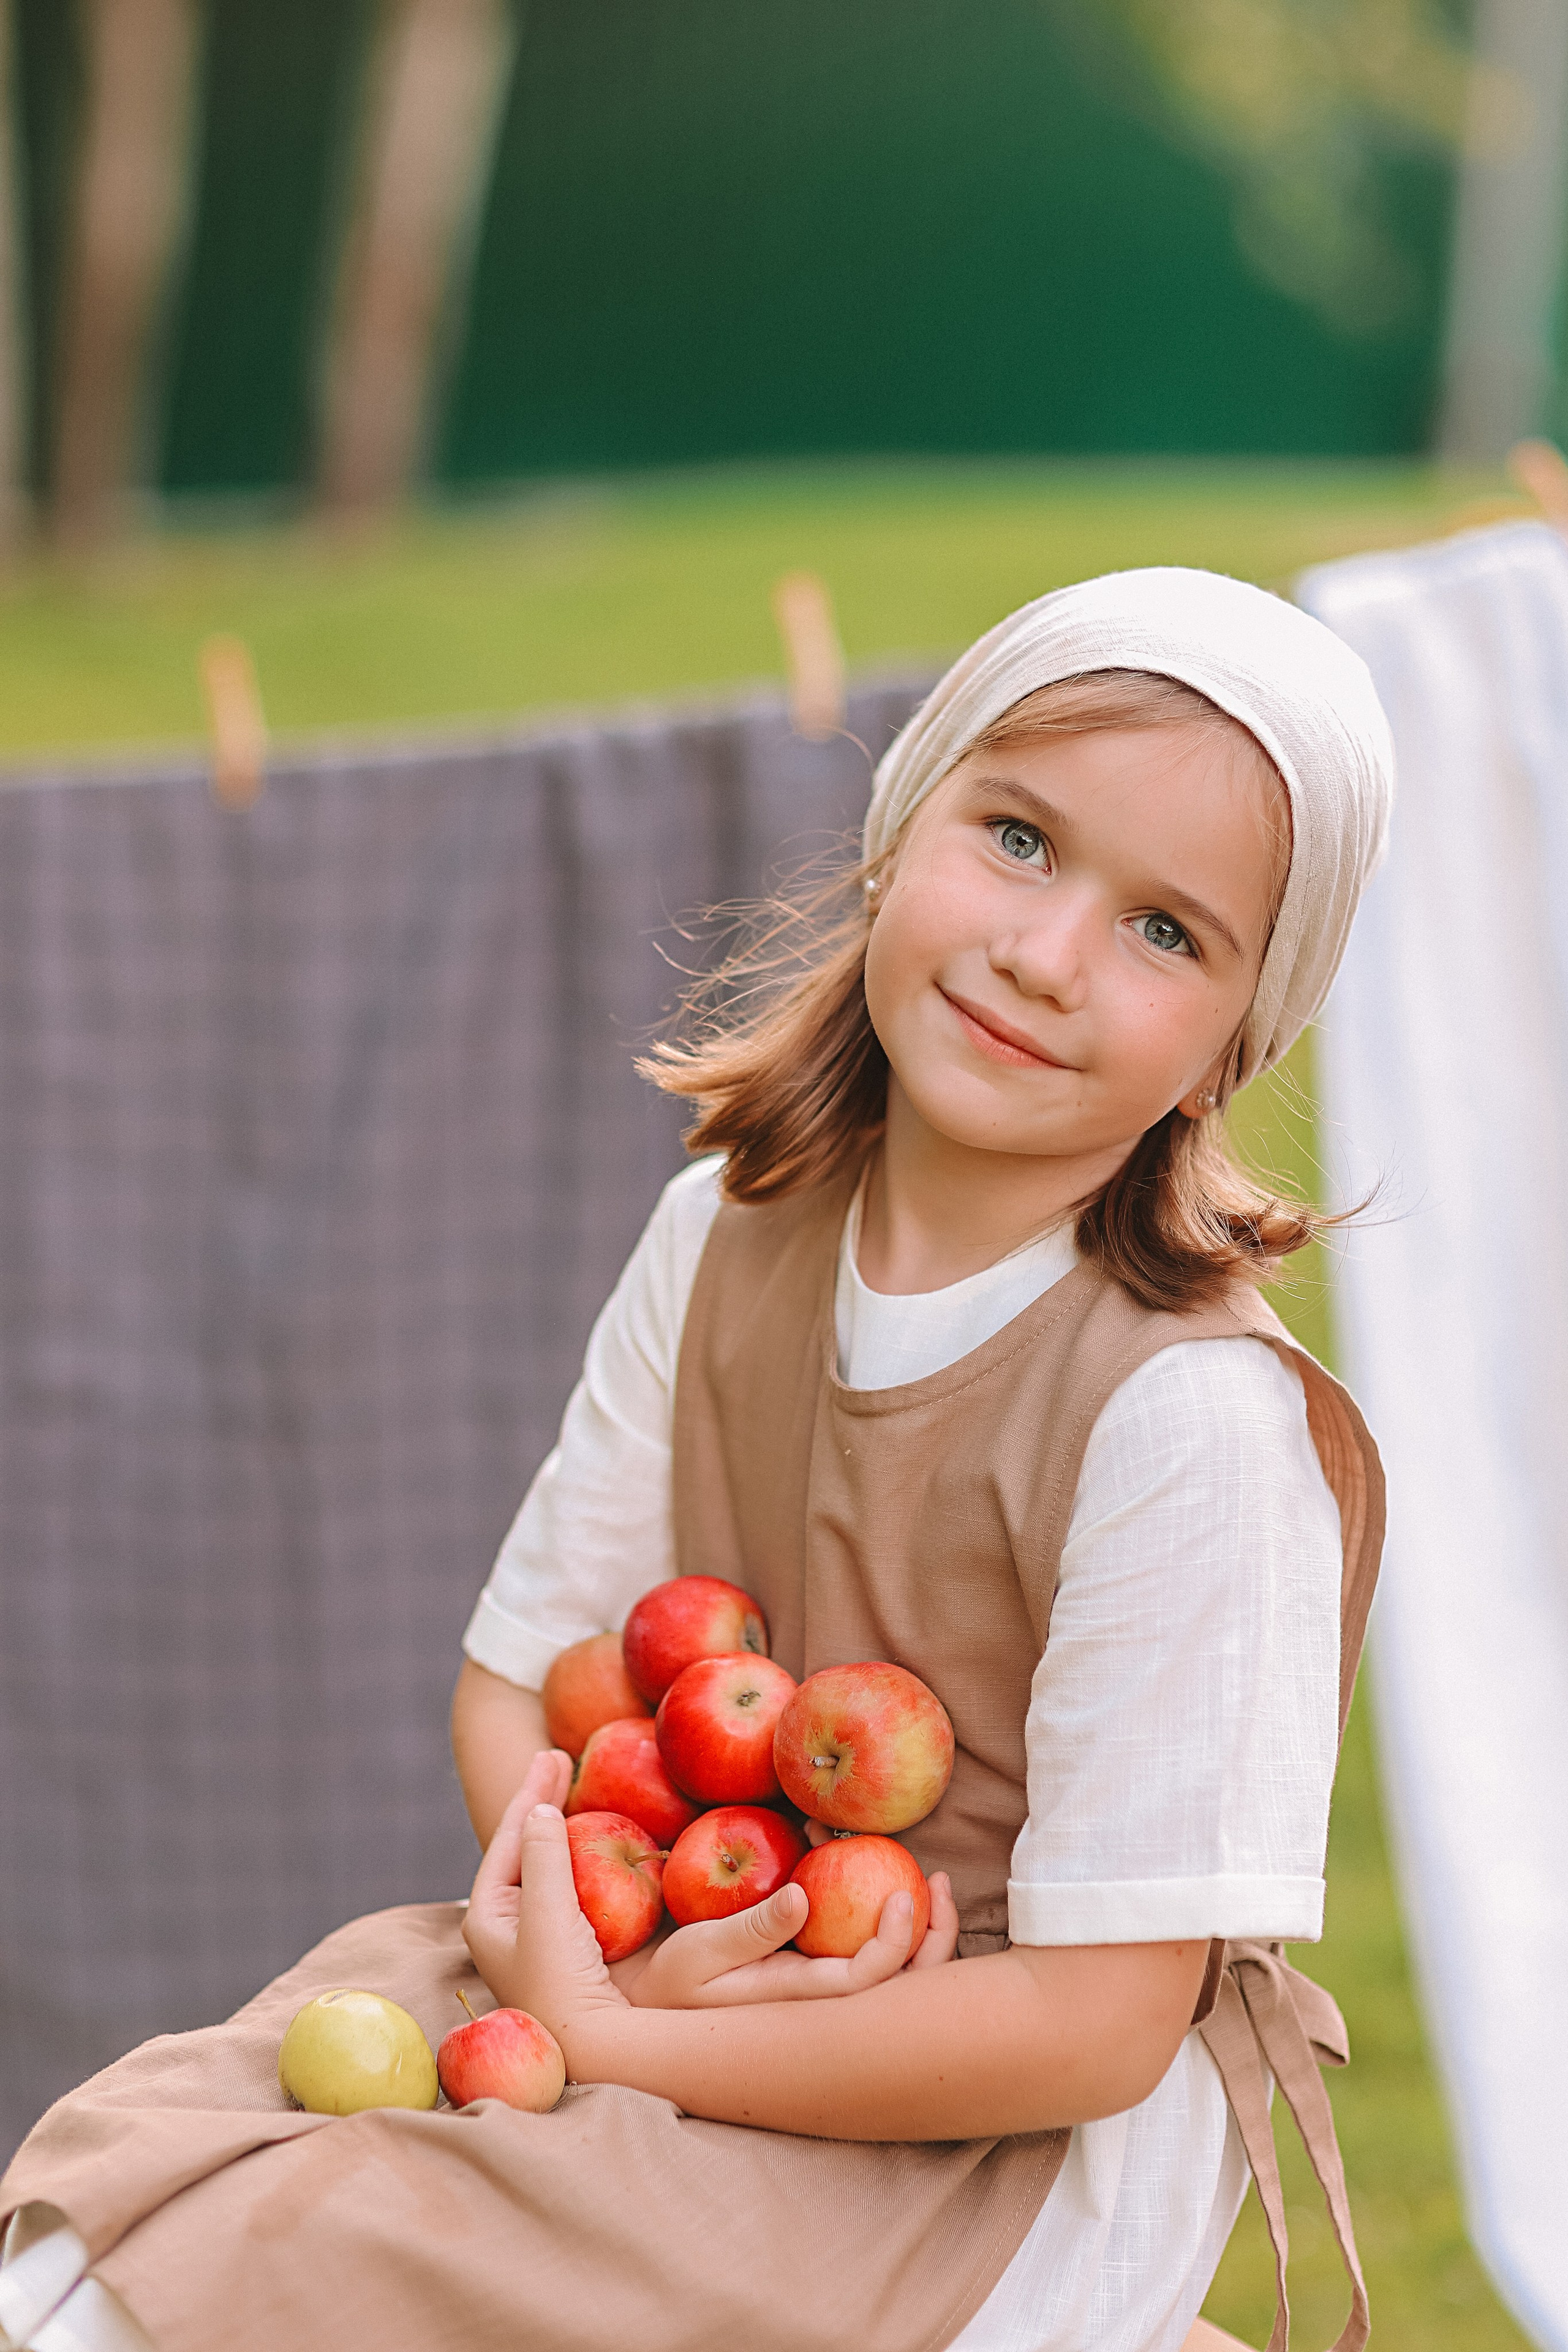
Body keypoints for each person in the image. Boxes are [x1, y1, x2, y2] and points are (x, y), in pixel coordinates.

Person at [0, 567, 1390, 2352]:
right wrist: (596, 1937)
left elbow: (1101, 2026)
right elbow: (518, 1690)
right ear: (902, 830)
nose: (1047, 955)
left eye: (1167, 933)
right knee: (126, 2217)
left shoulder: (1191, 1419)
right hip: (657, 1956)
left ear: (1228, 1050)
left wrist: (632, 2038)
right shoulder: (727, 1236)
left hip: (982, 2148)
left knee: (316, 2262)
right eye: (1023, 839)